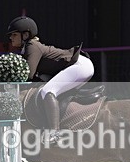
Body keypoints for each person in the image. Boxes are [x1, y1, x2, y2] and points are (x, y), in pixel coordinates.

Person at [6, 15, 95, 143]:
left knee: (47, 91)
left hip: (80, 66)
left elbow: (29, 75)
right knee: (49, 90)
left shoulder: (32, 45)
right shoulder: (28, 47)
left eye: (14, 35)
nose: (10, 38)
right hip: (80, 65)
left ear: (25, 35)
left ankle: (55, 132)